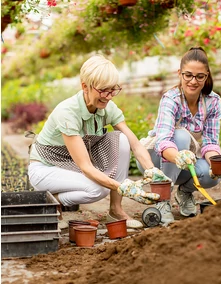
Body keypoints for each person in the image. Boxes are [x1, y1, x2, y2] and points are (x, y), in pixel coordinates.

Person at [27, 54, 170, 229]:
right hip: (46, 168)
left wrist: (152, 170)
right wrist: (125, 188)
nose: (109, 96)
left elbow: (134, 144)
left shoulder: (107, 107)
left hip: (73, 165)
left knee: (123, 140)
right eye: (103, 90)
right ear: (85, 87)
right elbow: (86, 167)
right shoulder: (67, 112)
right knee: (97, 189)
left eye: (113, 90)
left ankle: (115, 210)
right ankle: (51, 202)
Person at [137, 46, 221, 223]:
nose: (193, 81)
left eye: (200, 76)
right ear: (180, 73)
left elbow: (211, 143)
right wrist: (179, 156)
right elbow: (163, 142)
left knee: (211, 176)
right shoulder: (171, 99)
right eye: (188, 75)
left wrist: (217, 164)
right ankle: (162, 200)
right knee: (180, 136)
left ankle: (184, 192)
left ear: (206, 76)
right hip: (154, 161)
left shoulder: (213, 101)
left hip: (184, 163)